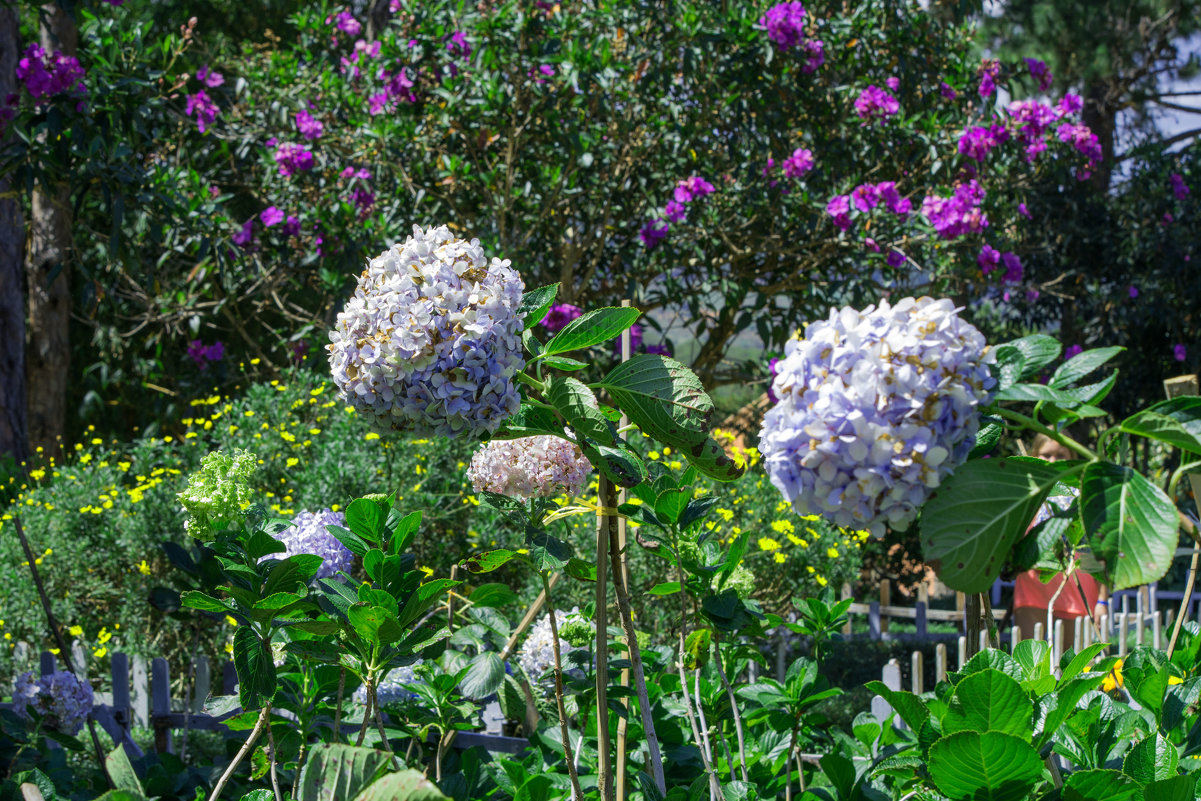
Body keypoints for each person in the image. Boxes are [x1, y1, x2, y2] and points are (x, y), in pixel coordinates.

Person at [1013, 434, 1108, 651]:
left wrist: (1102, 601)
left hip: (1076, 586)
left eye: (1061, 455)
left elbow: (1099, 551)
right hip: (1033, 587)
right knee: (1029, 662)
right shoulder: (1023, 493)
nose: (1053, 461)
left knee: (1075, 666)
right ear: (1035, 455)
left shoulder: (1084, 495)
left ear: (1072, 458)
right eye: (1046, 455)